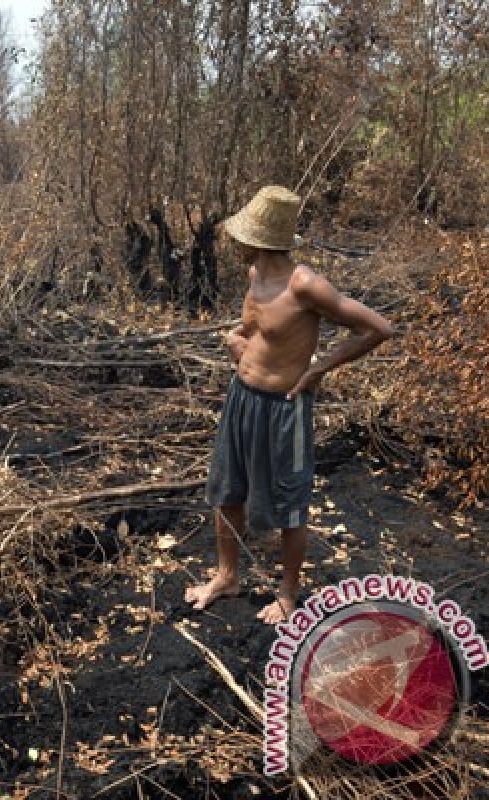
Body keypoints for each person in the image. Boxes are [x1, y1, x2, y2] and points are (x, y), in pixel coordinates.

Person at [185, 186, 395, 624]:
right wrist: (234, 343)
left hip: (284, 407)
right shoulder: (255, 274)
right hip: (241, 398)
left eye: (242, 237)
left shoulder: (306, 285)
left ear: (260, 239)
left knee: (289, 505)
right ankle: (227, 576)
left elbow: (378, 328)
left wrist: (319, 369)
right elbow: (250, 332)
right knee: (226, 491)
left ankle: (287, 594)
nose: (236, 243)